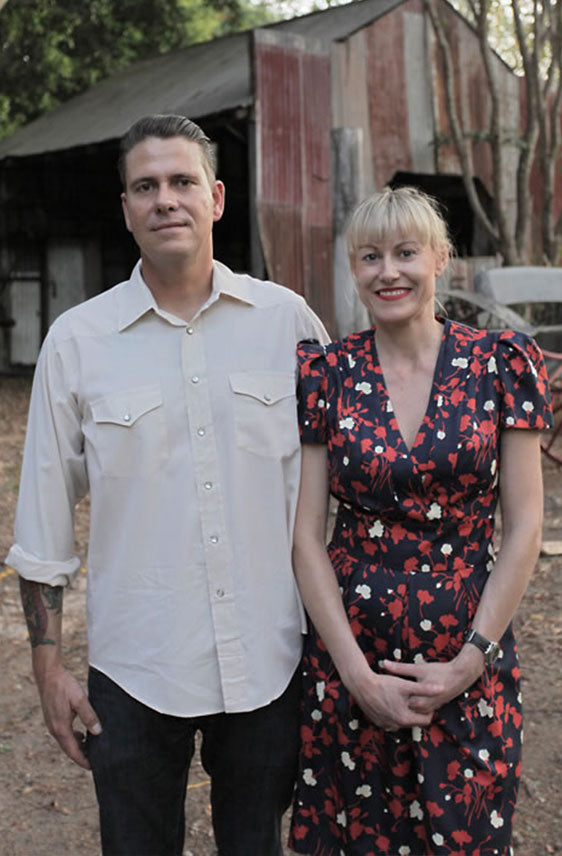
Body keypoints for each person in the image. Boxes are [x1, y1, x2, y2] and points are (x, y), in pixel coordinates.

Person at [7, 113, 328, 856]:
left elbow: (352, 475)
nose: (165, 200)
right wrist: (48, 665)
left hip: (271, 656)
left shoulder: (288, 324)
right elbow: (44, 520)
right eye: (146, 186)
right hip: (136, 666)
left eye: (182, 181)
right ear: (126, 209)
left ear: (216, 198)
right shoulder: (77, 341)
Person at [288, 186, 553, 855]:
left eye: (405, 253)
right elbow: (305, 538)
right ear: (355, 269)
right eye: (370, 257)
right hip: (353, 661)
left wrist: (470, 662)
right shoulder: (327, 373)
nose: (388, 272)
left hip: (469, 659)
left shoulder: (499, 365)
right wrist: (356, 676)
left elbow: (525, 527)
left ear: (441, 259)